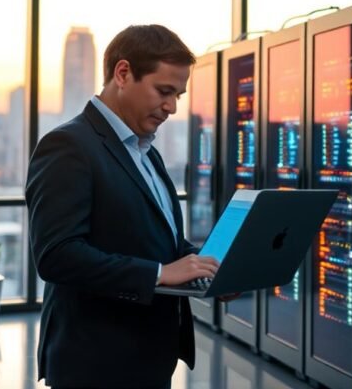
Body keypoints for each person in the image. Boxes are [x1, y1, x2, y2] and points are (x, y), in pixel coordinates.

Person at [26, 24, 222, 389]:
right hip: (95, 363)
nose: (172, 107)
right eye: (164, 91)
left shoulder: (146, 152)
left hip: (148, 357)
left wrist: (205, 267)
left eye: (178, 95)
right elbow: (56, 255)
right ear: (123, 73)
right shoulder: (68, 146)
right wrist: (158, 273)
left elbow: (160, 240)